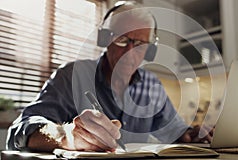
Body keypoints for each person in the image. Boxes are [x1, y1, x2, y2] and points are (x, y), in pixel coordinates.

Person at [7, 1, 212, 152]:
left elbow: (175, 131)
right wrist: (65, 136)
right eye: (123, 39)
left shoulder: (153, 87)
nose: (130, 52)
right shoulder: (71, 76)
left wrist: (192, 134)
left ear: (150, 51)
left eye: (140, 45)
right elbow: (19, 130)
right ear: (105, 39)